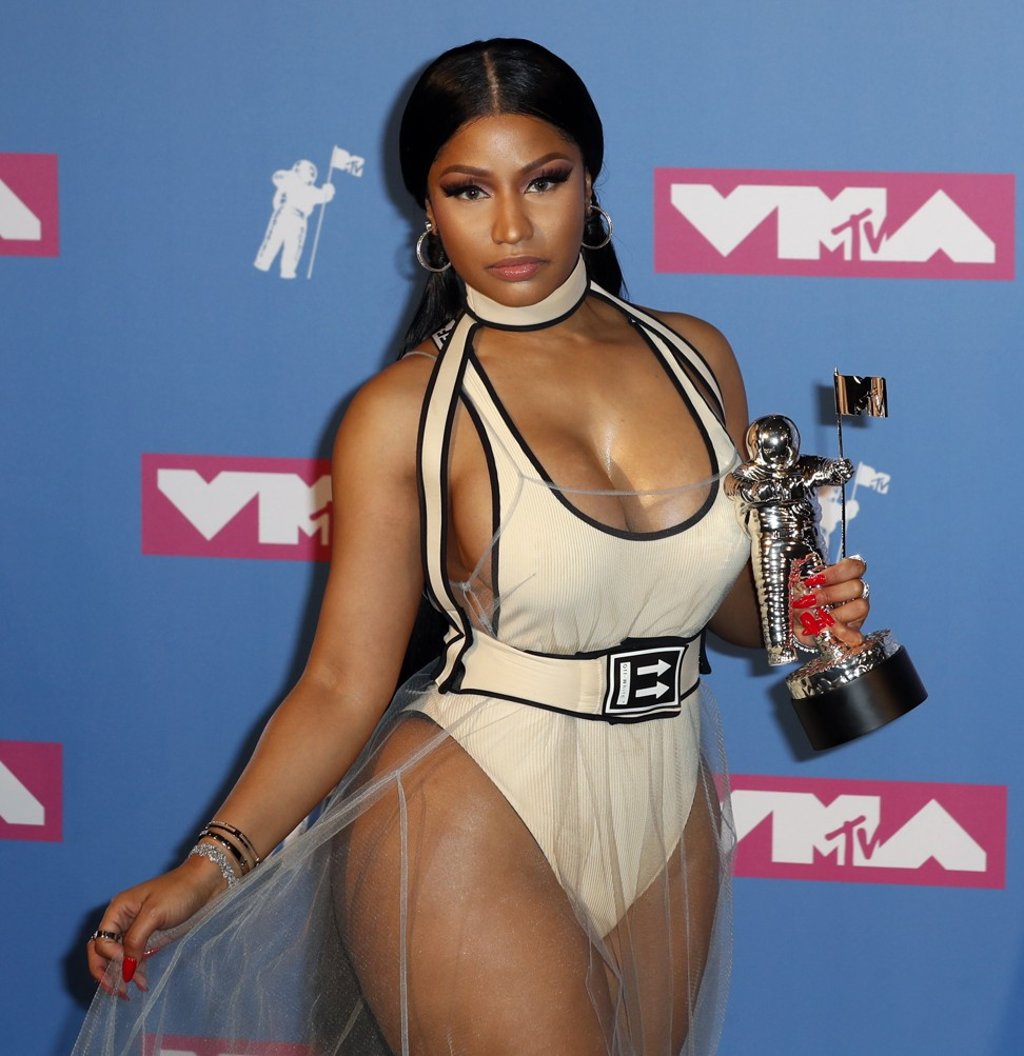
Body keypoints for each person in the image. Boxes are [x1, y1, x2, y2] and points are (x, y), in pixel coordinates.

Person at [77, 39, 869, 1056]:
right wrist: (210, 866)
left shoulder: (697, 354)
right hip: (475, 798)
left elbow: (715, 609)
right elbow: (337, 684)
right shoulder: (402, 409)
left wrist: (794, 607)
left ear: (589, 183)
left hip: (664, 797)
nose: (509, 225)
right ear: (426, 212)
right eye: (466, 189)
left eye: (543, 179)